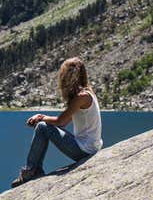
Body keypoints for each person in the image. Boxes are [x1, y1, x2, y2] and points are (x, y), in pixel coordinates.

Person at [11, 57, 103, 188]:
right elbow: (65, 120)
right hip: (91, 146)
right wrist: (42, 117)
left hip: (85, 150)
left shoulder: (81, 97)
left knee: (42, 127)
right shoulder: (88, 94)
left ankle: (31, 171)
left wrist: (40, 117)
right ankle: (33, 170)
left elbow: (60, 122)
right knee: (44, 125)